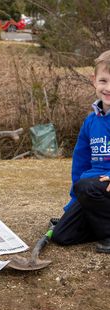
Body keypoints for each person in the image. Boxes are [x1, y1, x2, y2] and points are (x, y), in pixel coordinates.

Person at [51, 50, 110, 254]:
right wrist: (74, 203)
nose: (108, 88)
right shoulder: (91, 121)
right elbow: (80, 164)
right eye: (103, 80)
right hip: (93, 190)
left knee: (88, 186)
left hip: (101, 186)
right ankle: (97, 222)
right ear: (94, 81)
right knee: (62, 235)